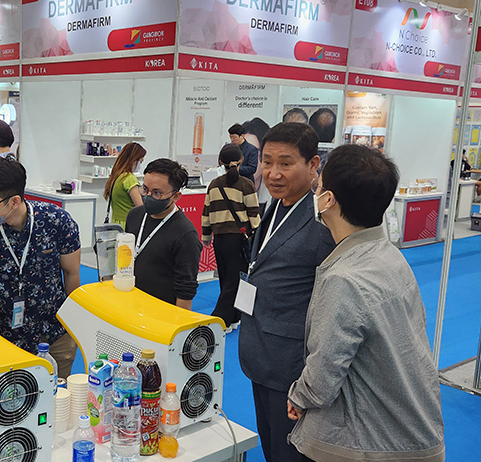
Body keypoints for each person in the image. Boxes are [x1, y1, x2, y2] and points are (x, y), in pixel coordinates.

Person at [286, 144, 445, 462]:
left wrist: (299, 396)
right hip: (411, 428)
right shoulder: (389, 255)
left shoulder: (344, 278)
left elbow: (324, 373)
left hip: (368, 441)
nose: (315, 191)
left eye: (319, 186)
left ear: (328, 200)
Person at [239, 122, 335, 462]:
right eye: (267, 162)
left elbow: (331, 306)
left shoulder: (323, 222)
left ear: (313, 165)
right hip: (259, 353)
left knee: (290, 453)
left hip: (291, 366)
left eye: (285, 163)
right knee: (271, 447)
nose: (273, 173)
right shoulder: (275, 207)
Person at [0, 157, 81, 374]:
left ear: (14, 201)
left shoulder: (56, 220)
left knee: (60, 389)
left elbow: (72, 273)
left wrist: (73, 326)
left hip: (57, 330)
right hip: (9, 335)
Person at [124, 158, 202, 309]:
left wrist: (178, 321)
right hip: (130, 303)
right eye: (145, 189)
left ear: (176, 196)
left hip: (161, 311)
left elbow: (185, 290)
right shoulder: (135, 215)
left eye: (157, 193)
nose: (148, 196)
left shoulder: (185, 234)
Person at [202, 144, 260, 331]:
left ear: (220, 162)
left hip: (219, 238)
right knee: (235, 279)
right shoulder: (246, 184)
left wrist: (206, 234)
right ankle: (222, 320)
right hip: (239, 238)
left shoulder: (214, 184)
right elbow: (253, 213)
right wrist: (258, 236)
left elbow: (206, 211)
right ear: (241, 160)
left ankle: (233, 317)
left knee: (225, 277)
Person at [103, 142, 146, 225]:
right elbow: (140, 208)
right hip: (128, 225)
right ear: (134, 160)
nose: (140, 165)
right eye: (140, 161)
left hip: (116, 223)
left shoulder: (116, 176)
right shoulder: (129, 178)